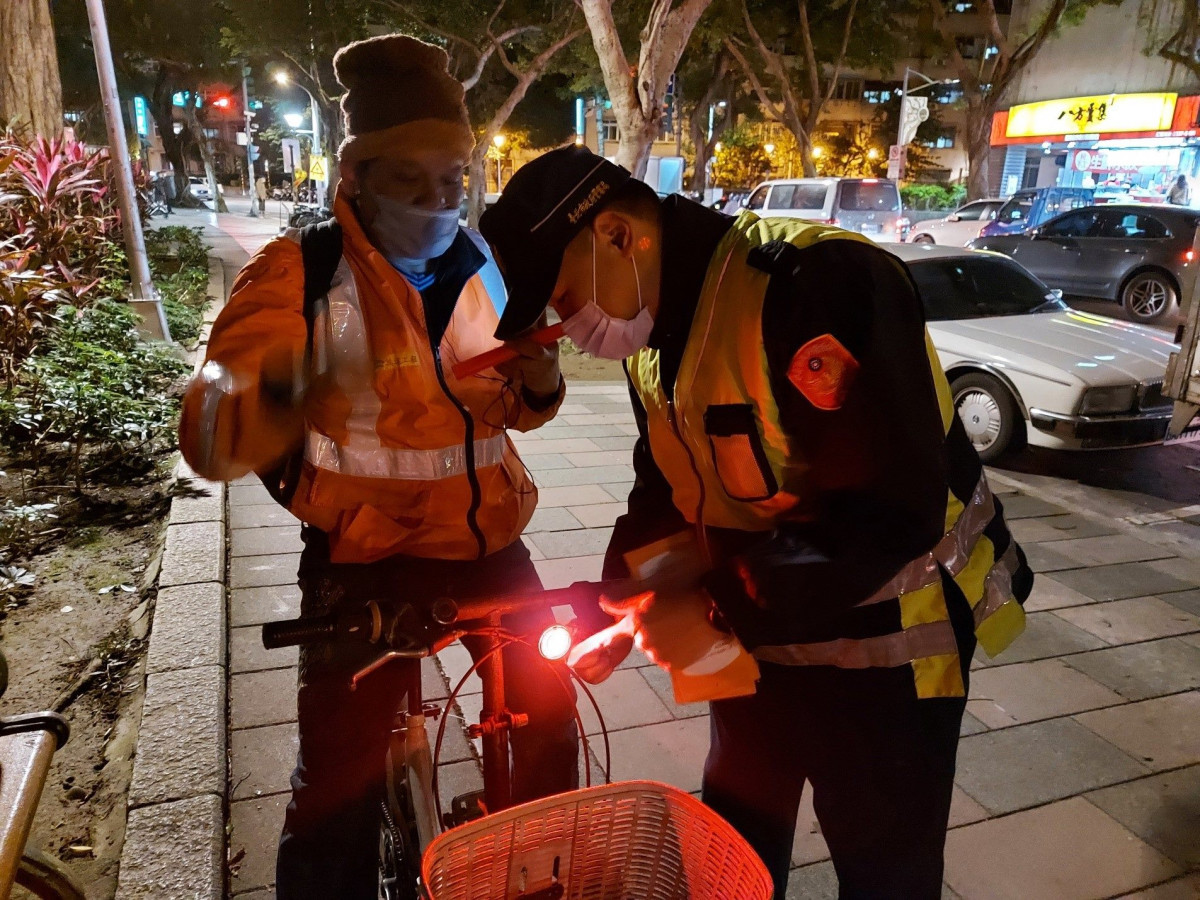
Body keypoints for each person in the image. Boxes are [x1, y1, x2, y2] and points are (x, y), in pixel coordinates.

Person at [479, 146, 1034, 898]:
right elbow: (666, 485)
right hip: (758, 650)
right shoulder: (656, 337)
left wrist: (705, 599)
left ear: (617, 236)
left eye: (568, 298)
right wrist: (620, 599)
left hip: (891, 654)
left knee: (885, 875)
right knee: (730, 860)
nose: (572, 330)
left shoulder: (816, 289)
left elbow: (887, 514)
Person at [179, 35, 581, 900]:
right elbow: (210, 436)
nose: (441, 203)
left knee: (550, 720)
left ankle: (545, 873)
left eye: (453, 181)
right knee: (338, 786)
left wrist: (538, 383)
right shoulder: (297, 274)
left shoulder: (481, 266)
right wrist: (276, 386)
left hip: (487, 545)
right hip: (362, 559)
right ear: (355, 176)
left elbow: (511, 410)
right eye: (413, 181)